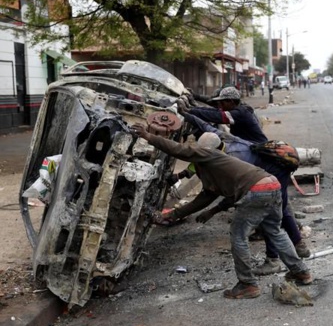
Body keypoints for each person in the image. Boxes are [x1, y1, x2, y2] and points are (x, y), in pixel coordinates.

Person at [130, 122, 314, 299]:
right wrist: (185, 214)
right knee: (275, 231)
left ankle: (248, 284)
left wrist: (149, 136)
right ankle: (301, 272)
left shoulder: (211, 156)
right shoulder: (215, 168)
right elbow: (205, 197)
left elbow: (179, 150)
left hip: (257, 191)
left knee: (238, 236)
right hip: (272, 185)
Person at [183, 86, 267, 144]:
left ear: (231, 101)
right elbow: (212, 108)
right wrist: (192, 105)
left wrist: (189, 110)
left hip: (255, 149)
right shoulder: (236, 108)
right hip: (247, 145)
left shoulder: (240, 112)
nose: (220, 105)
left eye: (222, 102)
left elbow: (217, 116)